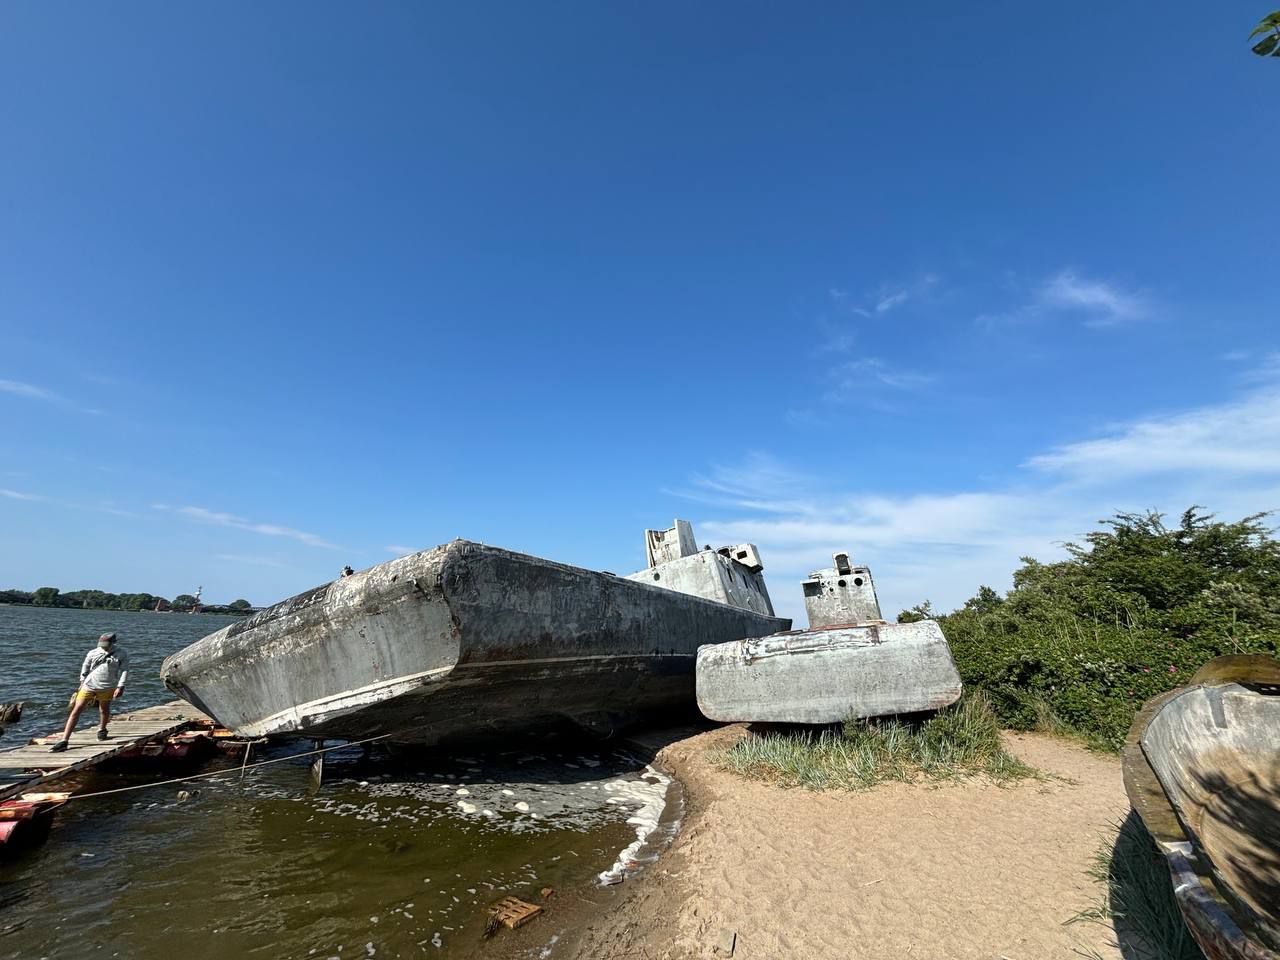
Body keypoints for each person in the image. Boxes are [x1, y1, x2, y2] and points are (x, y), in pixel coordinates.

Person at [48, 632, 129, 752]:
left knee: (104, 709)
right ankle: (64, 740)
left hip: (107, 686)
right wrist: (82, 680)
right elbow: (85, 666)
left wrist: (120, 686)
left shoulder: (121, 654)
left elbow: (124, 670)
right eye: (101, 644)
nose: (103, 646)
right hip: (88, 685)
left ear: (113, 643)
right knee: (77, 709)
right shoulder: (93, 652)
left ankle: (102, 729)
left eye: (106, 644)